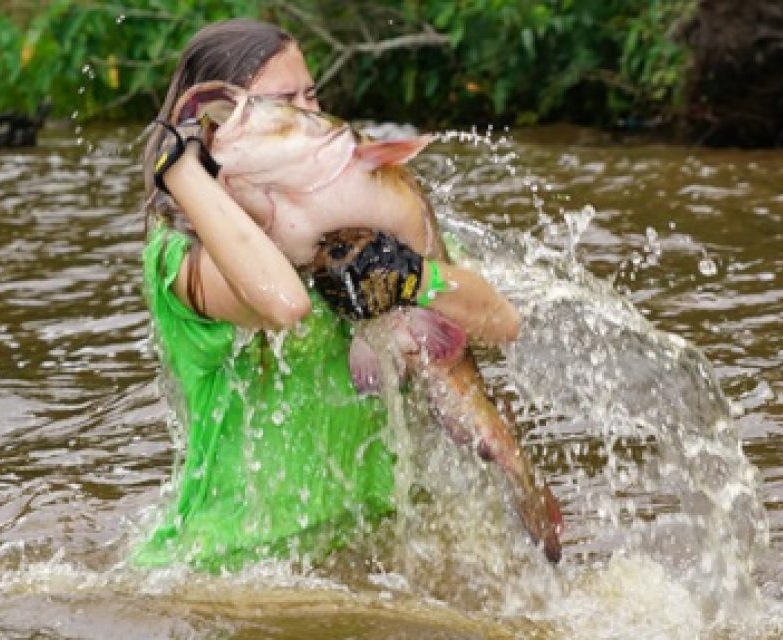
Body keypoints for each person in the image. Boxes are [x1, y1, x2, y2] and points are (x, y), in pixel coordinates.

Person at [134, 18, 521, 571]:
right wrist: (182, 174)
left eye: (311, 93)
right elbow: (285, 303)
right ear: (213, 129)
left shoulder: (367, 223)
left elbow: (503, 321)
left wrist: (414, 278)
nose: (310, 113)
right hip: (236, 567)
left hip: (371, 548)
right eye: (284, 100)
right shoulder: (180, 261)